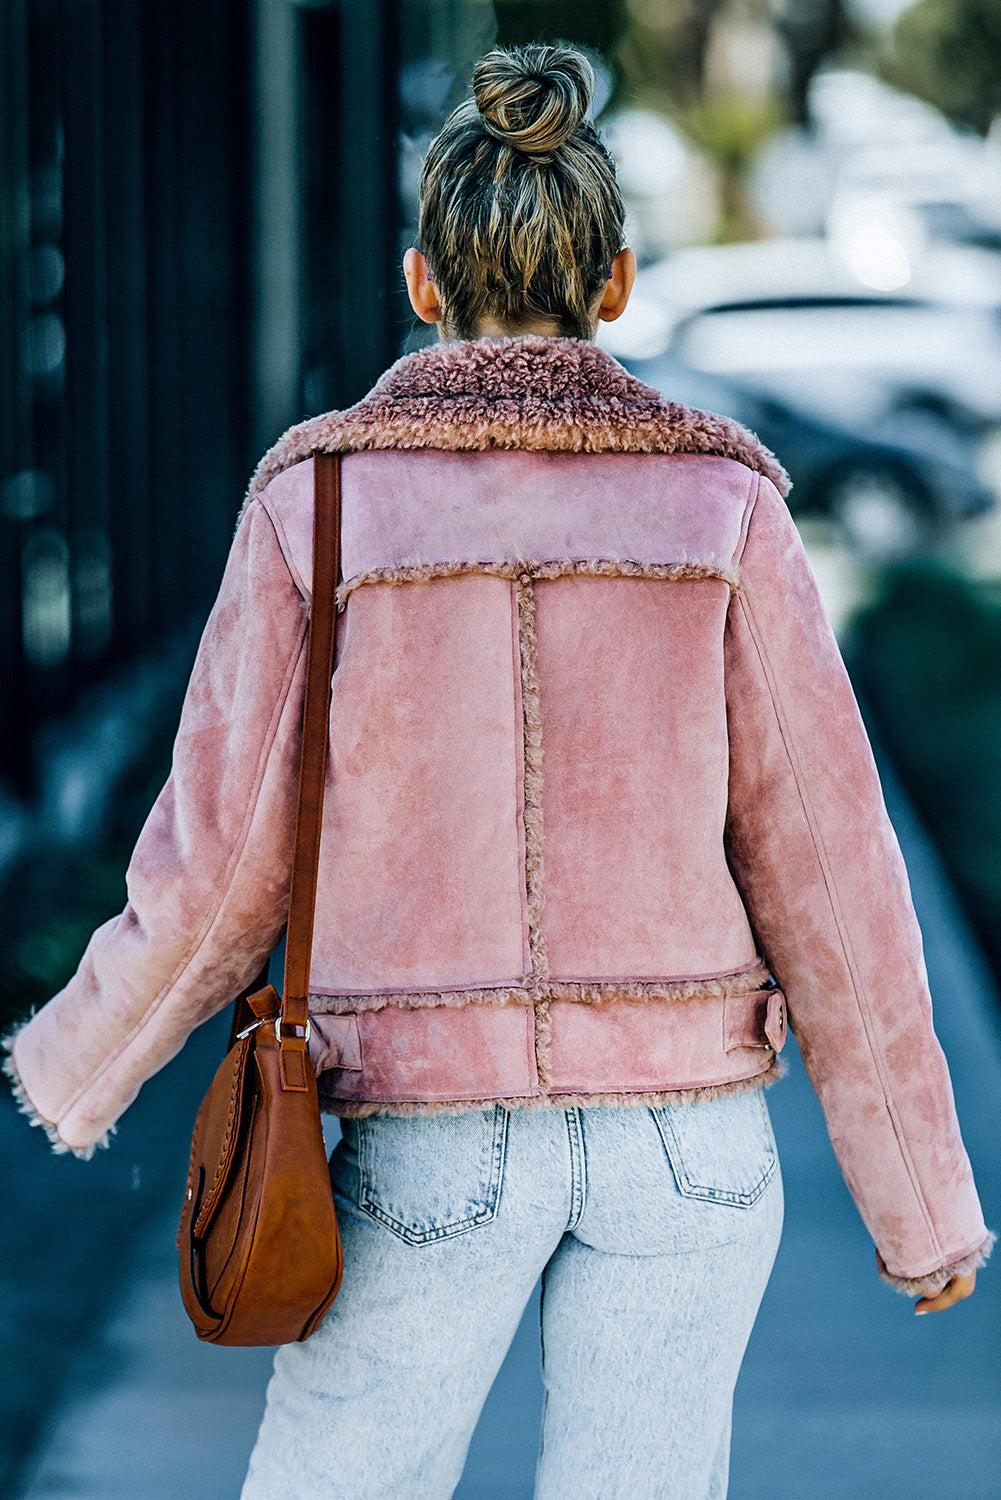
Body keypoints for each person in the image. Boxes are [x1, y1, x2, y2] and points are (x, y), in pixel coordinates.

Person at [3, 44, 992, 1500]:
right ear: (615, 283)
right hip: (688, 1143)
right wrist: (921, 1206)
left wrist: (72, 1073)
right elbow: (835, 879)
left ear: (420, 282)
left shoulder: (320, 501)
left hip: (424, 1137)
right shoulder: (721, 504)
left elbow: (217, 866)